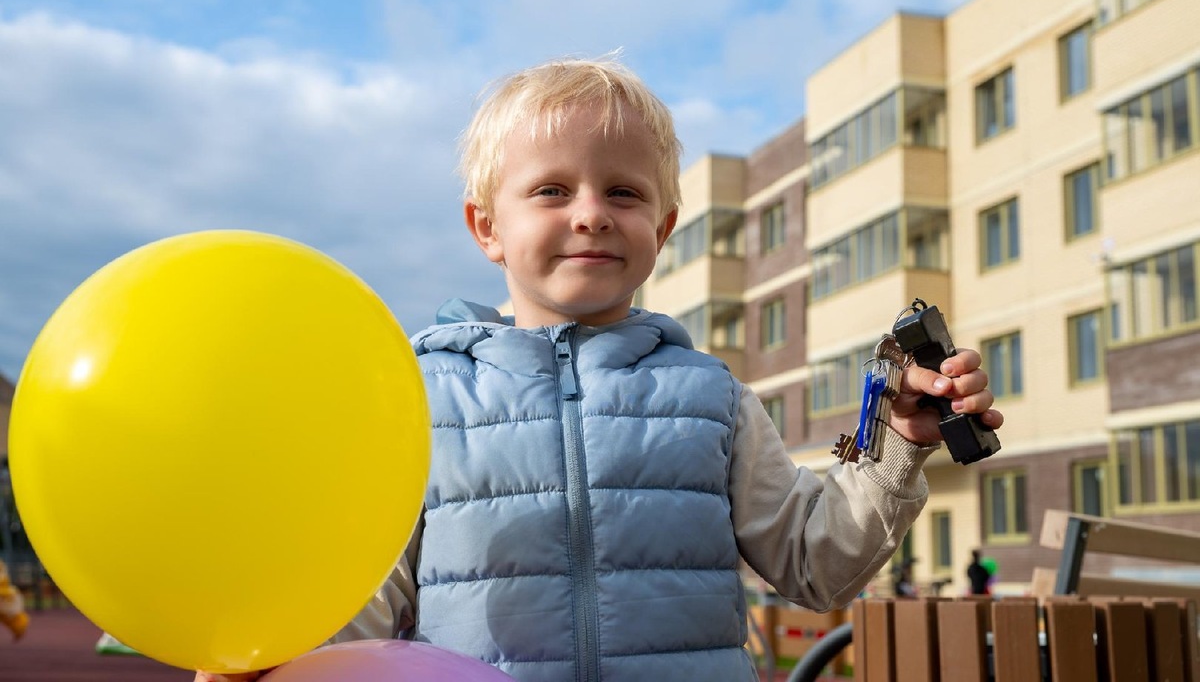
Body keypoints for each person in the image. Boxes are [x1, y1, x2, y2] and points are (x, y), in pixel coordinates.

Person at [198, 56, 1003, 682]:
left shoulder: (708, 397)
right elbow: (364, 614)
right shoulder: (419, 402)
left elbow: (816, 563)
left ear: (664, 225)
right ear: (487, 228)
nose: (590, 212)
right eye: (550, 189)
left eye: (623, 191)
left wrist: (899, 441)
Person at [0, 558, 29, 641]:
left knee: (10, 616)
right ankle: (18, 629)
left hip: (5, 596)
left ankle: (19, 629)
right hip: (5, 595)